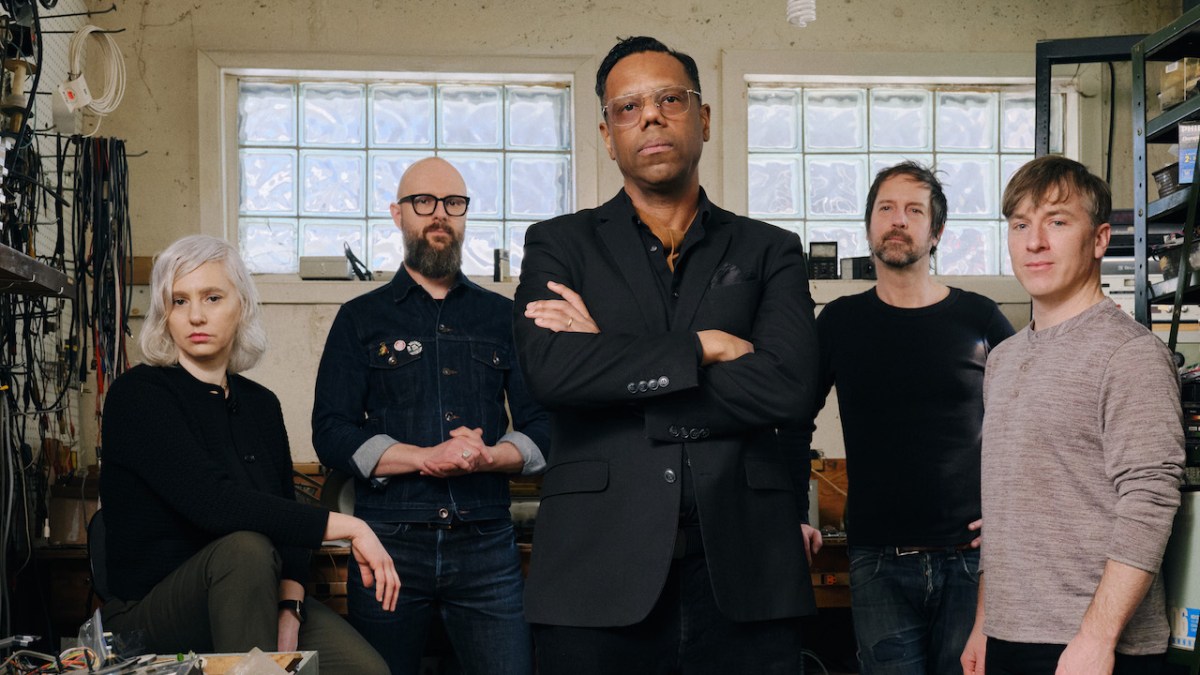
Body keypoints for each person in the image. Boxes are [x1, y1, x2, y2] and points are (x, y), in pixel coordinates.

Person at [514, 36, 818, 675]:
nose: (650, 116)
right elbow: (552, 373)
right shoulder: (558, 245)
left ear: (702, 118)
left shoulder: (770, 249)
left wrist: (612, 367)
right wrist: (702, 347)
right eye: (628, 107)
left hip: (748, 573)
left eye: (669, 100)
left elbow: (789, 387)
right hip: (595, 575)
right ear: (607, 135)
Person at [99, 235, 396, 674]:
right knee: (245, 547)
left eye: (212, 297)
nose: (196, 315)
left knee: (365, 670)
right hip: (149, 615)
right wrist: (350, 526)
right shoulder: (138, 395)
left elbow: (282, 512)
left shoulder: (261, 404)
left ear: (242, 306)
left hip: (258, 594)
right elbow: (214, 503)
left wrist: (290, 608)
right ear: (164, 313)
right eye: (179, 301)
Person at [312, 157, 549, 675]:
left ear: (464, 216)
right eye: (424, 202)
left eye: (453, 203)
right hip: (389, 546)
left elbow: (544, 428)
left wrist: (490, 458)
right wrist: (423, 457)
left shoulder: (502, 317)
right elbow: (331, 432)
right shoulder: (360, 318)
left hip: (487, 544)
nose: (440, 213)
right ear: (398, 214)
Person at [960, 156, 1184, 675]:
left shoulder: (1129, 355)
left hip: (1092, 646)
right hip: (1009, 637)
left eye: (1057, 222)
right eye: (1020, 225)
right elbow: (1005, 505)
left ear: (1100, 239)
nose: (1034, 242)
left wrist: (1095, 639)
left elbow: (1150, 501)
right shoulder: (1003, 359)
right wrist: (985, 622)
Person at [789, 162, 1014, 674]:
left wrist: (1013, 517)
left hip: (970, 560)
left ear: (936, 232)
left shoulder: (980, 319)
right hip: (877, 561)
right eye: (886, 208)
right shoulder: (840, 322)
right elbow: (794, 420)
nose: (898, 219)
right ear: (869, 225)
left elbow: (1031, 424)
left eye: (914, 210)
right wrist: (795, 512)